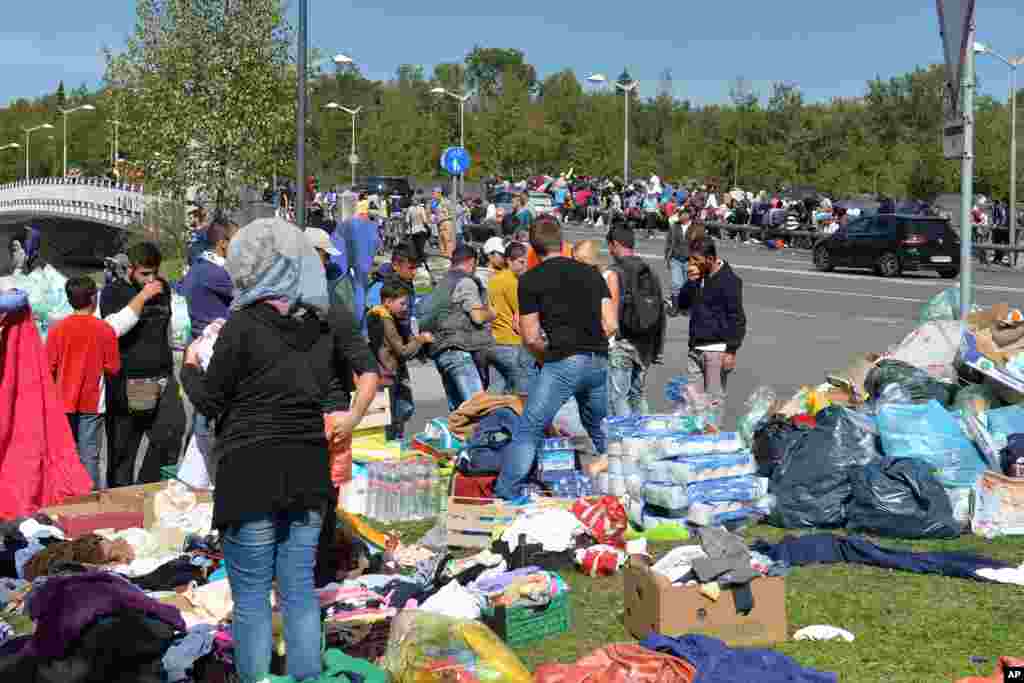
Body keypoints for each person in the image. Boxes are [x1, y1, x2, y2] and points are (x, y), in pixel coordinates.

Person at [181, 218, 378, 683]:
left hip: (250, 469)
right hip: (307, 466)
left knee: (251, 596)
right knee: (299, 590)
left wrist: (189, 367)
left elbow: (211, 400)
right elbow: (350, 378)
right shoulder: (319, 326)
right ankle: (307, 675)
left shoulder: (242, 326)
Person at [495, 216, 617, 500]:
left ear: (532, 249)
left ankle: (505, 493)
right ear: (562, 242)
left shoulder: (530, 281)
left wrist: (547, 357)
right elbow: (611, 323)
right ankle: (622, 476)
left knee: (530, 427)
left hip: (563, 359)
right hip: (598, 358)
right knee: (598, 425)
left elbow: (530, 336)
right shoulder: (591, 273)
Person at [100, 242, 186, 487]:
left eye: (154, 273)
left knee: (171, 432)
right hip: (132, 380)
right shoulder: (114, 292)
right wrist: (142, 296)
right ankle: (121, 503)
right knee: (124, 449)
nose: (150, 279)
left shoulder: (164, 289)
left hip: (163, 375)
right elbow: (113, 329)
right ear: (130, 270)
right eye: (144, 274)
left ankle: (148, 487)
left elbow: (166, 326)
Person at [46, 277, 121, 489]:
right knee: (90, 455)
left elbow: (47, 368)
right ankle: (89, 500)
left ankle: (64, 493)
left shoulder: (57, 330)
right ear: (93, 298)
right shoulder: (104, 329)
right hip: (93, 403)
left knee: (65, 453)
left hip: (62, 402)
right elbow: (113, 367)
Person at [423, 244, 494, 410]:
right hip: (458, 351)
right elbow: (477, 317)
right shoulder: (465, 282)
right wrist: (491, 314)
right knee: (478, 410)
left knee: (458, 415)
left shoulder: (442, 283)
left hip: (440, 351)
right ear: (471, 262)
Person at [605, 226, 666, 417]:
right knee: (637, 395)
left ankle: (624, 439)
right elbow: (660, 311)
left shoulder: (614, 273)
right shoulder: (650, 272)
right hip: (646, 343)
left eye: (610, 247)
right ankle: (644, 438)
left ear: (615, 245)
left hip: (621, 343)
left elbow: (609, 312)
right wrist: (658, 348)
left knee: (618, 397)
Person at [678, 237, 746, 403]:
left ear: (710, 259)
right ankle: (696, 430)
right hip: (695, 348)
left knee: (713, 404)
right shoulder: (699, 277)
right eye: (690, 259)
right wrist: (690, 283)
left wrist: (731, 350)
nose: (691, 263)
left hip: (717, 350)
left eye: (696, 259)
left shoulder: (729, 281)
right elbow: (682, 304)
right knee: (693, 403)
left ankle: (712, 429)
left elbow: (737, 317)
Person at [367, 283, 433, 441]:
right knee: (390, 417)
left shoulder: (381, 315)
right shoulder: (385, 319)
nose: (405, 308)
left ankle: (392, 442)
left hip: (386, 373)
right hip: (386, 375)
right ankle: (390, 445)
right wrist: (421, 339)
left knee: (398, 412)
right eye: (402, 304)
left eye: (407, 304)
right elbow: (402, 351)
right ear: (388, 302)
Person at [486, 242, 532, 395]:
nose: (525, 265)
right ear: (509, 261)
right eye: (521, 262)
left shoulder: (494, 279)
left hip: (494, 341)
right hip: (511, 342)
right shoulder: (512, 282)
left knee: (497, 392)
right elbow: (520, 317)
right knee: (519, 394)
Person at [182, 220, 238, 339]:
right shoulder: (215, 273)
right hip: (214, 343)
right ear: (223, 243)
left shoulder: (201, 264)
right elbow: (253, 294)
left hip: (204, 338)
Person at [665, 210, 698, 317]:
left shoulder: (696, 227)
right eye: (679, 215)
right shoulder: (674, 227)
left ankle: (686, 308)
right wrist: (667, 257)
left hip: (690, 260)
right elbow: (669, 242)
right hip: (676, 259)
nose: (680, 216)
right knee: (676, 284)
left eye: (682, 214)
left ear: (688, 215)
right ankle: (675, 307)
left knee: (687, 285)